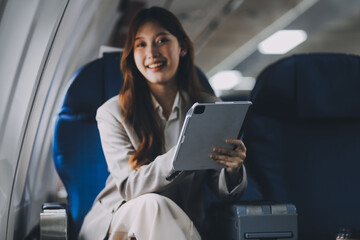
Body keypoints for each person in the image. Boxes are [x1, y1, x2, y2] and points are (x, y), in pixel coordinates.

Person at [78, 6, 247, 240]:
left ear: (183, 47)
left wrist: (232, 168)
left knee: (158, 208)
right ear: (132, 54)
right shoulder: (112, 113)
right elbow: (130, 188)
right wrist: (181, 155)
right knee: (152, 204)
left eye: (161, 41)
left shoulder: (210, 107)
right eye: (141, 44)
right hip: (120, 223)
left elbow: (224, 192)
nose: (152, 53)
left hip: (180, 225)